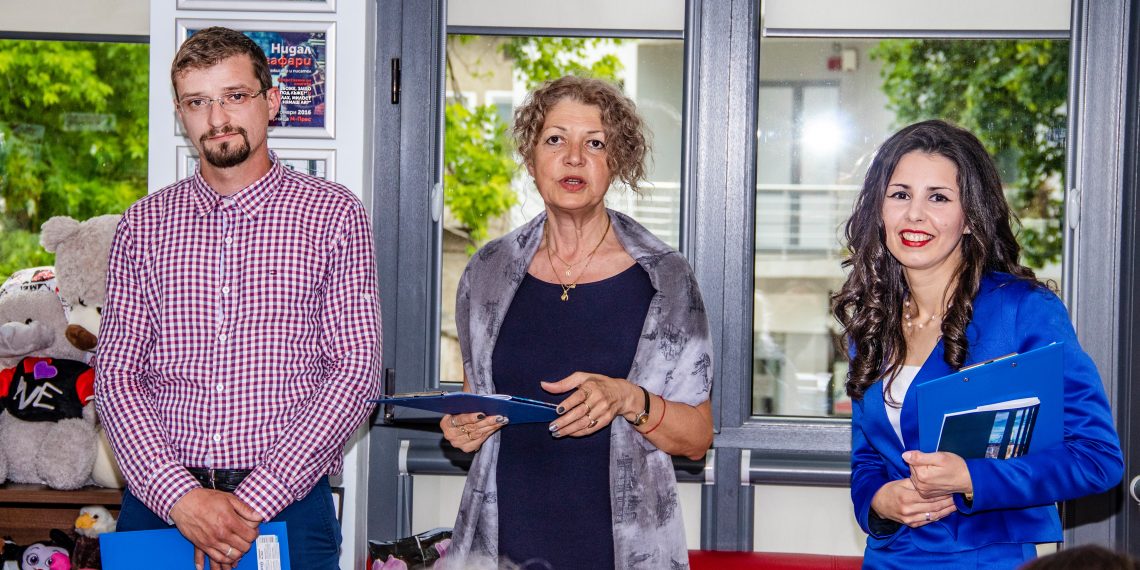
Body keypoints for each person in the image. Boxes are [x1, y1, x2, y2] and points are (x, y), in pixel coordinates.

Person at [95, 27, 381, 570]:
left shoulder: (334, 215)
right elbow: (117, 376)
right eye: (197, 102)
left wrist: (251, 504)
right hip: (161, 507)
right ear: (180, 114)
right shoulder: (142, 225)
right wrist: (181, 497)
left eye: (234, 95)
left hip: (289, 506)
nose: (216, 117)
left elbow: (354, 372)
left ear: (271, 101)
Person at [439, 76, 714, 569]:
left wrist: (628, 398)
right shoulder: (487, 272)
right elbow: (474, 401)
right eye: (554, 140)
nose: (573, 158)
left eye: (595, 144)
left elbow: (696, 438)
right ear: (531, 160)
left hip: (622, 549)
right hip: (502, 544)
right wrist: (461, 426)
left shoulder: (665, 277)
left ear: (617, 162)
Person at [833, 119, 1123, 567]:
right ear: (879, 209)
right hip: (889, 558)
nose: (915, 214)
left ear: (970, 218)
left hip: (989, 559)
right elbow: (868, 455)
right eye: (900, 195)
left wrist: (972, 477)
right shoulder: (871, 324)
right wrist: (879, 501)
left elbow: (1096, 458)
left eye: (939, 197)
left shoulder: (1023, 310)